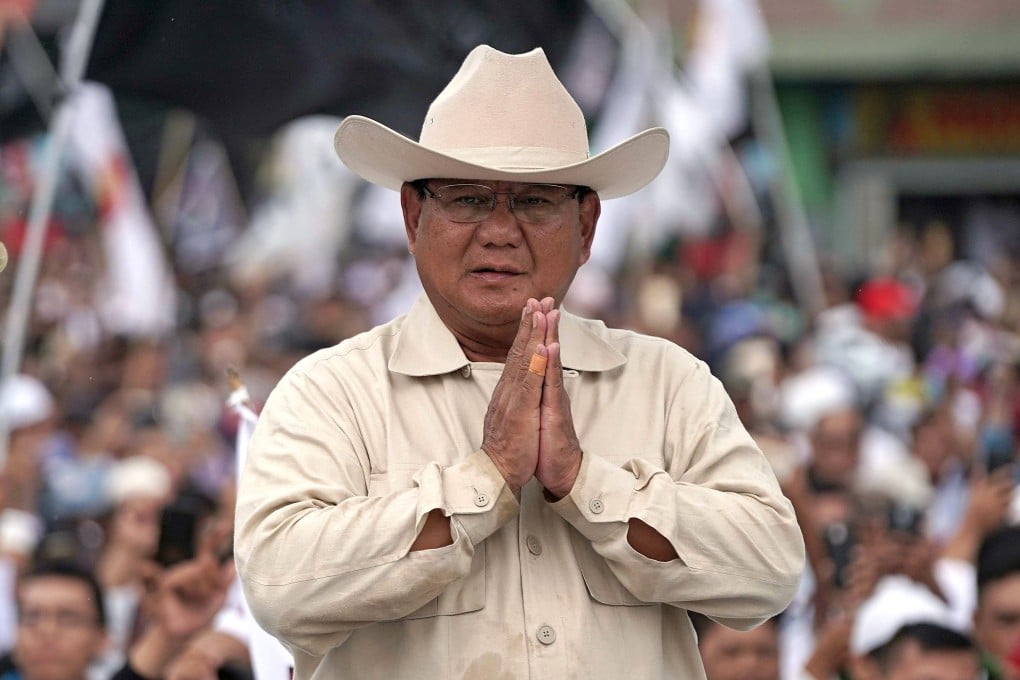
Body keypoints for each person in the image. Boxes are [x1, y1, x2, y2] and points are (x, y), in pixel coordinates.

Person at [235, 44, 804, 679]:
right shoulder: (332, 392)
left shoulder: (668, 382)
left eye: (535, 202)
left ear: (586, 226)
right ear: (412, 215)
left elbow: (770, 569)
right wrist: (484, 481)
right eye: (469, 199)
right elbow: (278, 585)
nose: (500, 230)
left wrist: (586, 482)